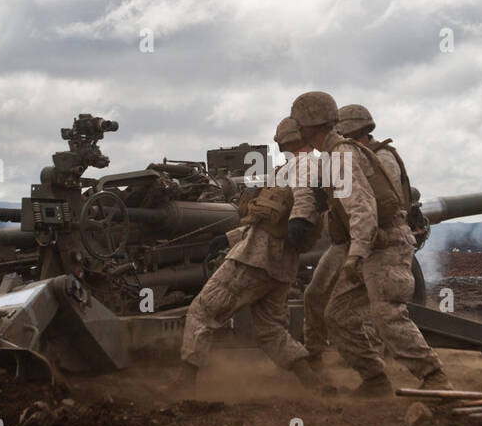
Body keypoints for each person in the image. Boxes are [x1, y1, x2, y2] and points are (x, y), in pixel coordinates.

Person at [289, 91, 451, 395]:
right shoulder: (334, 156)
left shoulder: (340, 157)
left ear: (310, 126)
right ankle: (375, 379)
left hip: (384, 243)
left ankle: (434, 377)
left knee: (386, 314)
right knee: (336, 315)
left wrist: (356, 254)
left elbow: (362, 207)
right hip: (366, 245)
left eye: (300, 126)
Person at [173, 117, 328, 394]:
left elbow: (302, 201)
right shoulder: (311, 166)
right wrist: (230, 238)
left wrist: (299, 223)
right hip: (281, 266)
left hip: (256, 260)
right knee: (271, 330)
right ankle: (313, 384)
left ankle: (184, 384)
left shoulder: (302, 165)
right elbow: (267, 220)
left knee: (203, 311)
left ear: (285, 140)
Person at [302, 103, 410, 367]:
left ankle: (371, 358)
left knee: (376, 309)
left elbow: (374, 205)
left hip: (377, 239)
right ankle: (314, 355)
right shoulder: (344, 156)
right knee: (315, 294)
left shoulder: (380, 157)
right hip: (348, 239)